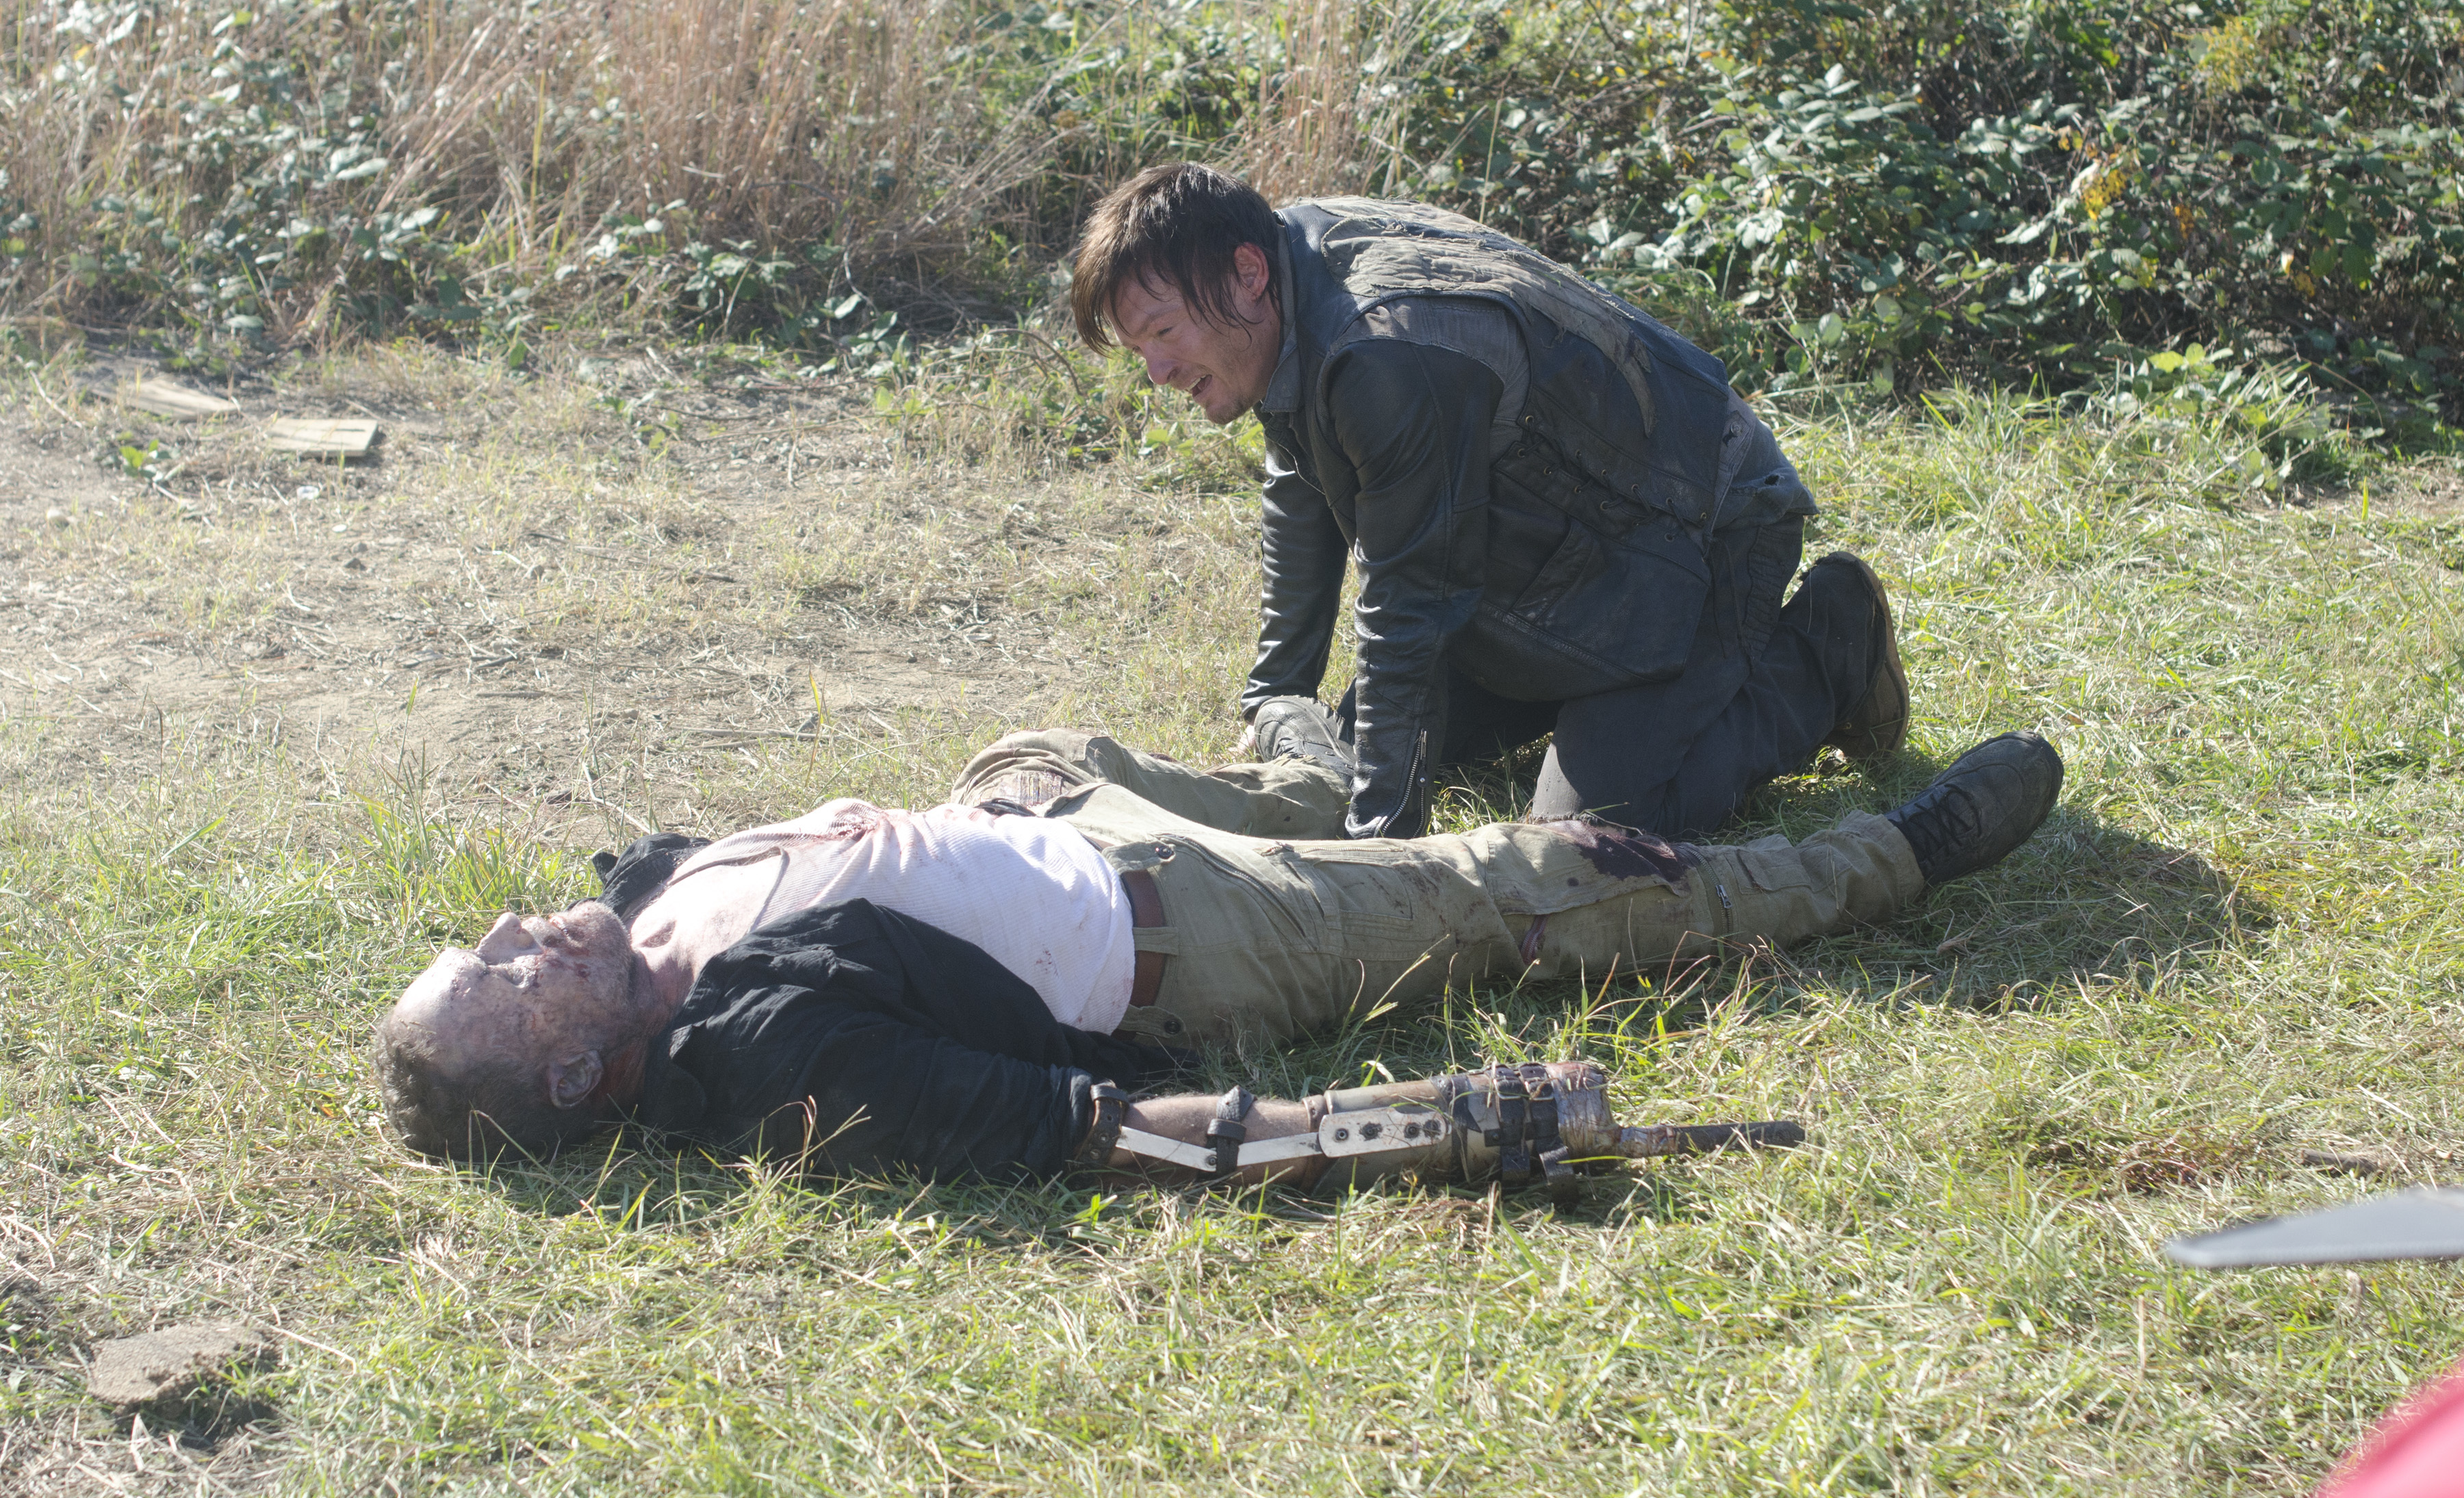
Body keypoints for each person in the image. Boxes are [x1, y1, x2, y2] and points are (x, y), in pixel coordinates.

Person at [374, 725, 2062, 1185]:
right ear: (578, 1073)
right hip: (1198, 930)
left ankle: (1316, 769)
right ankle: (1888, 859)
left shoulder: (637, 915)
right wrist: (1422, 1121)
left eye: (488, 940)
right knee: (1538, 876)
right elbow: (1087, 1132)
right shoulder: (773, 1063)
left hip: (1059, 807)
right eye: (505, 982)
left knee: (1069, 744)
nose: (517, 931)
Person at [1070, 163, 1904, 843]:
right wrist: (1277, 693)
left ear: (1247, 275)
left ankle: (1832, 643)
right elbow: (1302, 475)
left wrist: (1381, 856)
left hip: (1700, 531)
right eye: (1140, 347)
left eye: (1163, 333)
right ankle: (1592, 699)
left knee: (1591, 836)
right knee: (1359, 748)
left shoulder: (1382, 352)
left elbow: (1411, 605)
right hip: (1549, 562)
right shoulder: (1272, 276)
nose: (1157, 372)